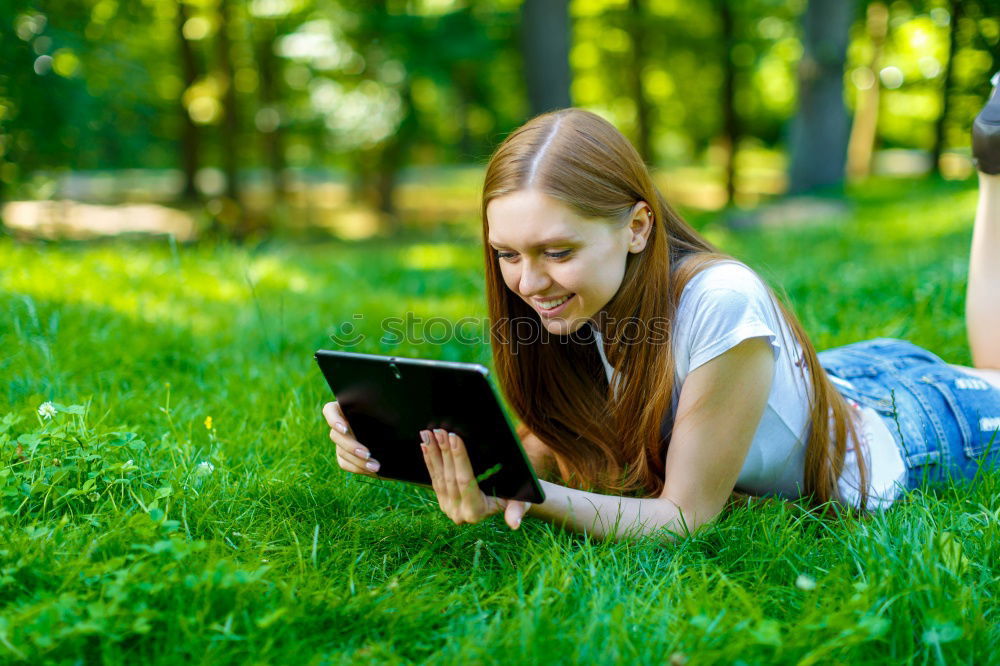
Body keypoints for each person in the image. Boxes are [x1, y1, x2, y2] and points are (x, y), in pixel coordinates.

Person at [323, 78, 1000, 542]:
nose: (528, 281)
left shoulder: (719, 300)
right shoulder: (572, 302)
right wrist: (402, 437)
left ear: (638, 227)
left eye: (556, 250)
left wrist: (524, 496)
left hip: (912, 423)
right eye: (507, 254)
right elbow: (553, 446)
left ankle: (991, 175)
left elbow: (683, 518)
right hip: (828, 381)